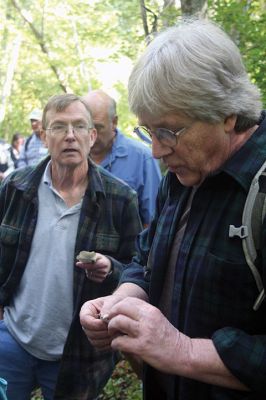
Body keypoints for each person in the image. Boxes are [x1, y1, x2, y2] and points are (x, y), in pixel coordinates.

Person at [80, 19, 266, 400]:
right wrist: (122, 300)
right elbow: (146, 260)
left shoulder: (258, 191)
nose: (156, 151)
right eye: (148, 131)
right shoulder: (182, 177)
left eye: (169, 131)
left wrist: (181, 350)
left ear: (227, 114)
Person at [0, 94, 142, 400]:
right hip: (12, 339)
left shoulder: (119, 199)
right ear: (43, 136)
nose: (70, 136)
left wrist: (111, 268)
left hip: (79, 352)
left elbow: (139, 268)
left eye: (79, 127)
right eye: (59, 127)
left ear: (92, 137)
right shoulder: (15, 188)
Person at [83, 90, 162, 227]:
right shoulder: (74, 157)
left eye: (98, 127)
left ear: (114, 122)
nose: (92, 135)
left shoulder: (143, 158)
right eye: (84, 127)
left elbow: (153, 221)